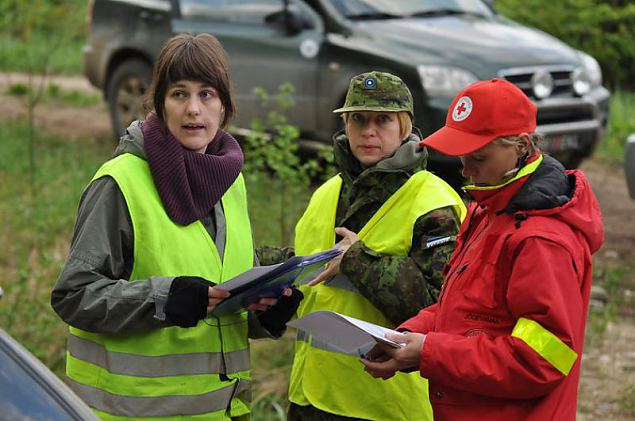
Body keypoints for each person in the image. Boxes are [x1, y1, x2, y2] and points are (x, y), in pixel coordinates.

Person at [51, 33, 302, 420]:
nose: (193, 110)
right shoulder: (120, 183)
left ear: (224, 106)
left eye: (207, 95)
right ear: (160, 104)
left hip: (224, 410)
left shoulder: (230, 180)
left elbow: (216, 295)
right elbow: (74, 295)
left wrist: (264, 312)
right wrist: (165, 298)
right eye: (179, 94)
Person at [361, 78, 605, 420]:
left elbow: (541, 359)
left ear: (521, 146)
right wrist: (407, 335)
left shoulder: (540, 240)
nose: (466, 170)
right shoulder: (488, 208)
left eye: (478, 157)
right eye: (461, 155)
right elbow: (462, 310)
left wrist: (429, 352)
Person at [283, 71, 466, 420]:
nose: (368, 131)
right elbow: (310, 277)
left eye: (383, 119)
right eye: (358, 119)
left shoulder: (433, 202)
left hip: (385, 404)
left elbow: (439, 308)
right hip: (310, 397)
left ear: (405, 127)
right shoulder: (326, 193)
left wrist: (358, 261)